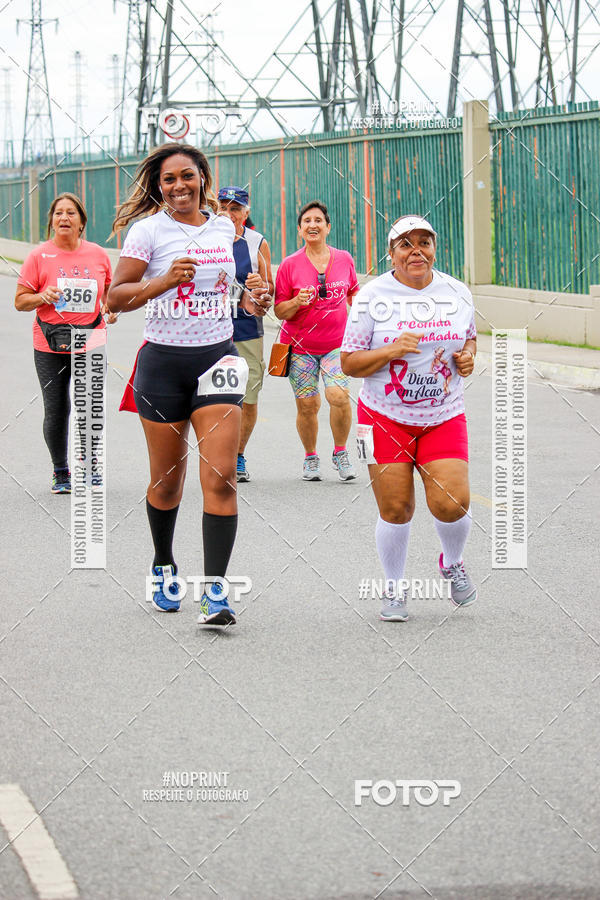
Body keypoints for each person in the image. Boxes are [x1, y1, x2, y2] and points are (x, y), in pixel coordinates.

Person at [107, 143, 270, 626]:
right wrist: (162, 283)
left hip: (219, 357)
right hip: (162, 364)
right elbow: (116, 296)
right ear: (158, 187)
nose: (179, 186)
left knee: (219, 476)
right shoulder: (147, 231)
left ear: (203, 177)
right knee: (168, 481)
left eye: (187, 176)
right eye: (168, 180)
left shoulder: (224, 226)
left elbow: (236, 291)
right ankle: (163, 564)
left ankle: (215, 593)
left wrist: (254, 299)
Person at [341, 215, 477, 622]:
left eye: (424, 242)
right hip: (384, 416)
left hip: (443, 414)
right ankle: (395, 588)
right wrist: (390, 351)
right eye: (405, 244)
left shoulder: (457, 291)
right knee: (396, 508)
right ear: (391, 253)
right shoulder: (372, 296)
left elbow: (469, 335)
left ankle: (451, 561)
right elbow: (349, 362)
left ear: (435, 248)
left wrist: (469, 357)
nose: (416, 250)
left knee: (453, 503)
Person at [15, 193, 114, 494]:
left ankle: (89, 467)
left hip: (91, 339)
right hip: (50, 343)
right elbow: (20, 301)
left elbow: (109, 292)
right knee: (57, 409)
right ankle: (61, 471)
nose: (64, 218)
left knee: (90, 408)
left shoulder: (98, 254)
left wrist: (110, 309)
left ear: (82, 222)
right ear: (52, 221)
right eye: (58, 213)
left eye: (71, 213)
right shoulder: (38, 256)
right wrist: (41, 297)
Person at [274, 200, 359, 482]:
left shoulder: (344, 258)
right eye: (307, 221)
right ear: (300, 230)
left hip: (337, 345)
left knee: (338, 395)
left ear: (327, 227)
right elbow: (279, 311)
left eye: (318, 220)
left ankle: (341, 452)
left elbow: (354, 295)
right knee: (307, 406)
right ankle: (311, 457)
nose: (313, 225)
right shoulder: (289, 265)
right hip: (299, 348)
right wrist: (297, 301)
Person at [217, 186, 274, 482]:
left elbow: (270, 288)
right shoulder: (204, 238)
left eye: (235, 208)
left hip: (247, 327)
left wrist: (259, 285)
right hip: (210, 329)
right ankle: (216, 454)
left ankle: (237, 455)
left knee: (248, 396)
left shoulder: (256, 243)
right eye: (223, 206)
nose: (228, 213)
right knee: (213, 395)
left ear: (246, 212)